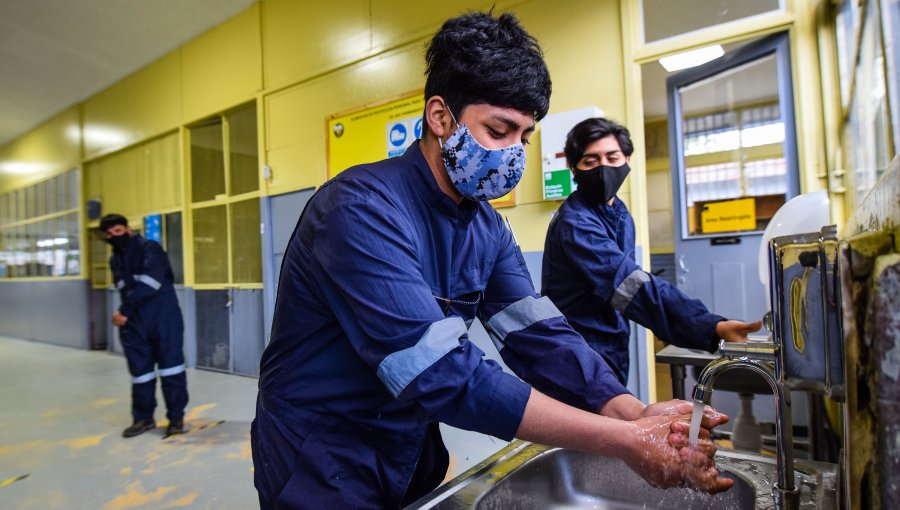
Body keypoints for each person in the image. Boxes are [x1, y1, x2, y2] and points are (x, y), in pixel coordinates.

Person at [252, 13, 731, 510]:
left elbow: (537, 335)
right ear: (440, 117)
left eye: (524, 137)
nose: (514, 154)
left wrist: (632, 412)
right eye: (499, 129)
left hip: (407, 444)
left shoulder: (485, 225)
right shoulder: (360, 208)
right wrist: (624, 442)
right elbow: (442, 373)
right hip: (320, 453)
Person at [542, 118, 762, 385]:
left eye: (612, 158)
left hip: (613, 341)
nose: (603, 169)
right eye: (591, 161)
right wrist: (707, 326)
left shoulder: (619, 213)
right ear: (572, 167)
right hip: (578, 350)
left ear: (627, 160)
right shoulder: (575, 223)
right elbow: (631, 285)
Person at [100, 214, 188, 438]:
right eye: (108, 234)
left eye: (117, 231)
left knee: (171, 368)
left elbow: (151, 284)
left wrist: (123, 312)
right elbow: (124, 289)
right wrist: (128, 315)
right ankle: (143, 419)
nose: (113, 237)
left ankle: (176, 419)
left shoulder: (150, 248)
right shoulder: (115, 259)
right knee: (141, 373)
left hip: (163, 319)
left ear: (128, 229)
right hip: (135, 324)